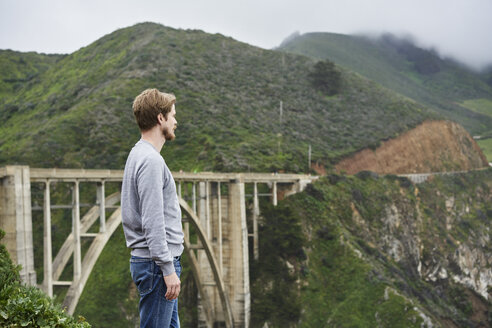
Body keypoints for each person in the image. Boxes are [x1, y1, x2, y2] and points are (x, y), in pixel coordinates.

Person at [121, 88, 184, 328]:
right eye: (172, 115)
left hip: (154, 263)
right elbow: (153, 222)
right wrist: (168, 269)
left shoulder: (137, 154)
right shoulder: (150, 161)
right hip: (157, 265)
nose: (175, 122)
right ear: (160, 118)